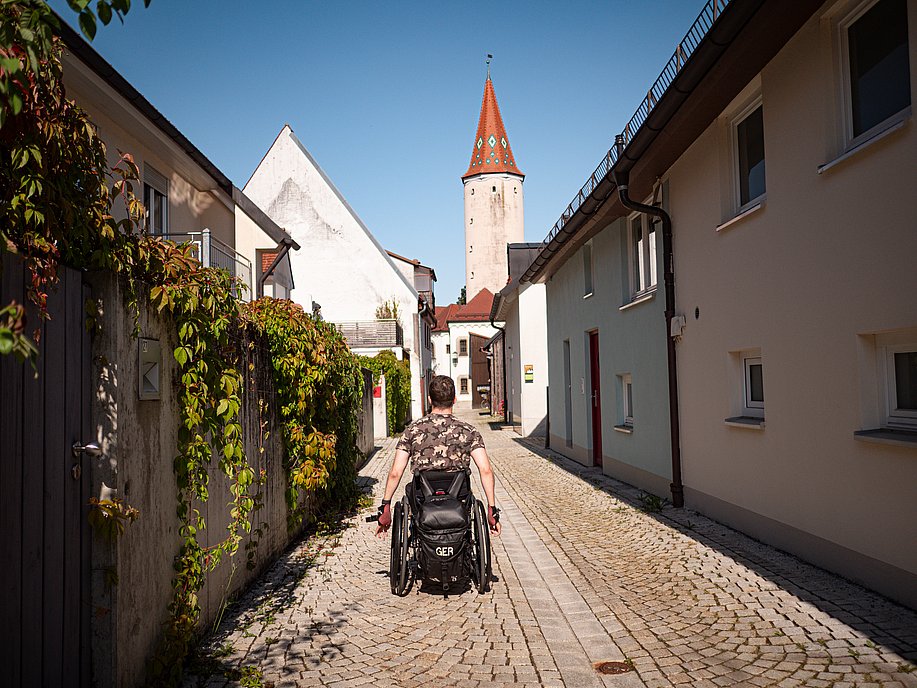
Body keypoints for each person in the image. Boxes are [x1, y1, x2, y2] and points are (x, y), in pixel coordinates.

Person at [375, 374, 502, 538]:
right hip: (459, 496)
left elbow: (395, 472)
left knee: (410, 489)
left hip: (423, 496)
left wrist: (385, 505)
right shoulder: (469, 431)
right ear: (454, 399)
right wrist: (492, 509)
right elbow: (485, 470)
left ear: (429, 399)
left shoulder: (412, 431)